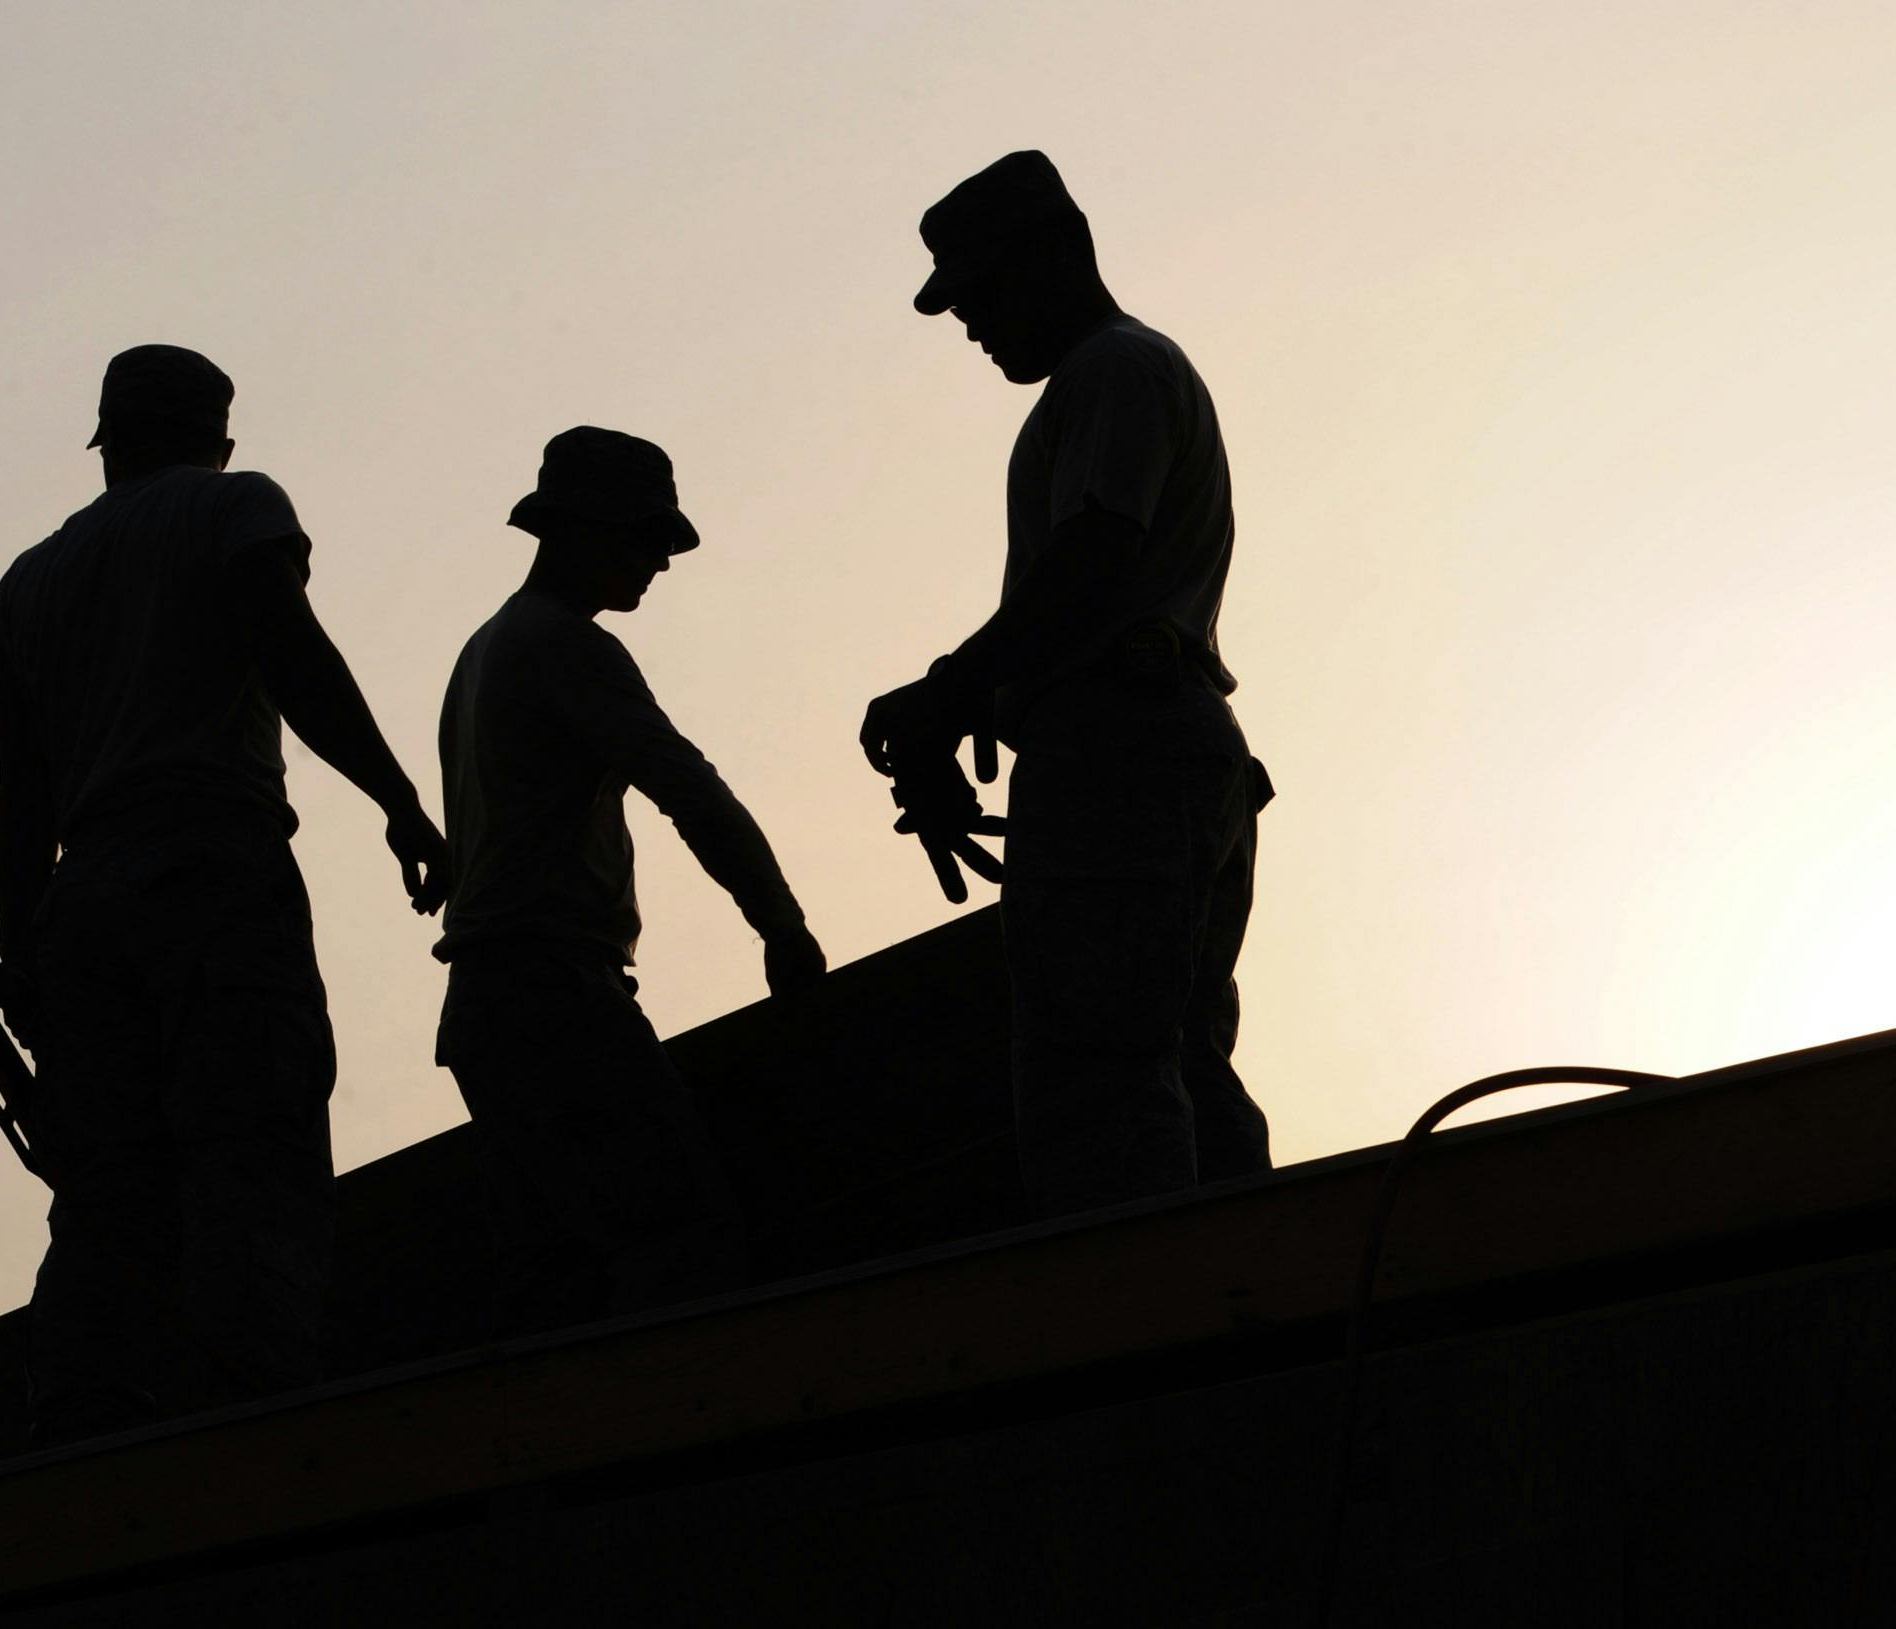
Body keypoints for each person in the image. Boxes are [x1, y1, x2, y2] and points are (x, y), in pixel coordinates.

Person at [0, 344, 451, 1443]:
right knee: (254, 1146)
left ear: (108, 445)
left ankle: (78, 1436)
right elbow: (291, 656)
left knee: (103, 1194)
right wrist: (397, 799)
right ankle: (265, 1425)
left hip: (80, 902)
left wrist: (21, 961)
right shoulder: (234, 507)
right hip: (210, 867)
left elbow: (21, 801)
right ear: (217, 438)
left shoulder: (26, 584)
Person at [861, 151, 1272, 1218]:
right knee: (1177, 1063)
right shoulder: (1112, 381)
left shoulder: (1113, 371)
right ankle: (1252, 1311)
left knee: (1102, 1082)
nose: (972, 326)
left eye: (982, 295)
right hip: (1158, 749)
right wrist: (982, 709)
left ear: (1056, 256)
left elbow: (1092, 561)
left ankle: (1150, 1334)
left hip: (1126, 756)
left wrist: (950, 694)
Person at [433, 427, 825, 1333]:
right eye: (645, 538)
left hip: (491, 1007)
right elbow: (687, 788)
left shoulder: (483, 650)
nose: (660, 561)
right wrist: (781, 924)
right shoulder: (564, 646)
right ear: (582, 530)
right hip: (550, 994)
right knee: (678, 1240)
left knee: (552, 1280)